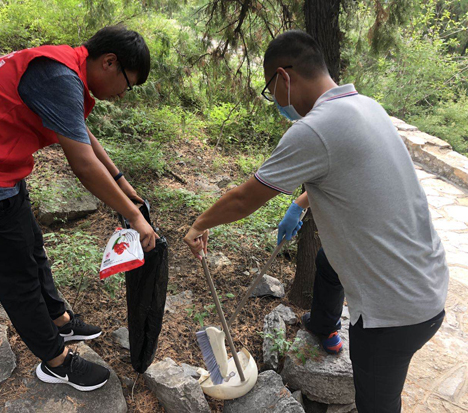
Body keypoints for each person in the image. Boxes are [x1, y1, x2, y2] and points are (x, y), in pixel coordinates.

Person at [184, 30, 448, 412]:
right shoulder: (367, 106)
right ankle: (324, 325)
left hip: (392, 312)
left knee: (376, 404)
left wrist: (199, 224)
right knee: (327, 261)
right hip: (428, 277)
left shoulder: (313, 129)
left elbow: (244, 198)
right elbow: (353, 170)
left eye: (270, 91)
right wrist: (300, 204)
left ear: (283, 77)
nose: (276, 101)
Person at [0, 25, 158, 392]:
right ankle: (55, 361)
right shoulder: (59, 76)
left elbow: (80, 132)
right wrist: (132, 215)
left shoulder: (65, 66)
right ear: (110, 62)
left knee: (33, 249)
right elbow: (83, 164)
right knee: (16, 276)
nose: (122, 95)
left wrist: (124, 185)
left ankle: (60, 320)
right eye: (127, 85)